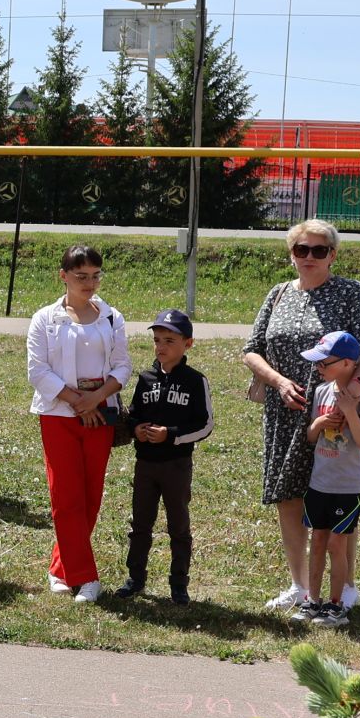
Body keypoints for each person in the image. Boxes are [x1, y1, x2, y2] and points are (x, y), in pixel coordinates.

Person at [241, 220, 360, 613]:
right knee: (290, 497)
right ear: (292, 253)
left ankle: (345, 586)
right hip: (285, 412)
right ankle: (300, 586)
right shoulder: (279, 293)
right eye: (301, 249)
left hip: (333, 411)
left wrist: (353, 393)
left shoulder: (349, 292)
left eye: (319, 250)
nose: (309, 257)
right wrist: (278, 382)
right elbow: (252, 349)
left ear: (333, 255)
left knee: (334, 496)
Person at [26, 244, 132, 604]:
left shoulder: (112, 317)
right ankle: (86, 578)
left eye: (95, 276)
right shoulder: (44, 318)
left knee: (89, 497)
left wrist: (95, 399)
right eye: (80, 276)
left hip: (101, 414)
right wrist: (77, 402)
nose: (89, 283)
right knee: (65, 496)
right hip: (58, 416)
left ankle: (60, 568)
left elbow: (122, 367)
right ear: (64, 277)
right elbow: (37, 371)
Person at [117, 309, 213, 606]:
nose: (160, 347)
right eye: (157, 340)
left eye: (169, 340)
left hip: (176, 466)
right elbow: (133, 415)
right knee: (140, 524)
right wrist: (136, 429)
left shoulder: (196, 381)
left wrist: (171, 435)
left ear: (188, 344)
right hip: (145, 465)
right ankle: (135, 578)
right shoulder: (145, 379)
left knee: (178, 526)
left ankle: (179, 583)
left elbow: (205, 425)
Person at [293, 331, 360, 629]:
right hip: (320, 482)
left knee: (335, 544)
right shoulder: (321, 392)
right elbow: (311, 437)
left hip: (348, 486)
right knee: (317, 541)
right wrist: (318, 423)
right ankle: (312, 601)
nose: (318, 367)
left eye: (323, 362)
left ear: (345, 363)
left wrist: (349, 412)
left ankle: (336, 604)